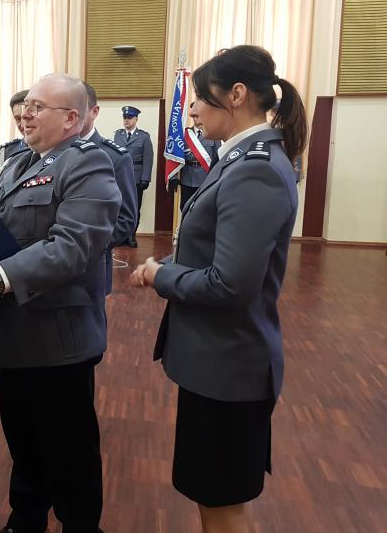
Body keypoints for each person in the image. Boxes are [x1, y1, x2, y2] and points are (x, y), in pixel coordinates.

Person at [131, 45, 306, 533]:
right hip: (216, 366)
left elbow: (230, 283)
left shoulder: (254, 168)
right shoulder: (242, 160)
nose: (190, 111)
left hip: (230, 370)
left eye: (199, 100)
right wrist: (168, 262)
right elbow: (217, 253)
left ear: (237, 95)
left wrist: (159, 276)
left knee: (222, 503)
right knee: (211, 497)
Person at [0, 73, 120, 533]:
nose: (25, 113)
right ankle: (26, 519)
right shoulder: (18, 161)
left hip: (59, 339)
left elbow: (71, 247)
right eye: (25, 106)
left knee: (69, 448)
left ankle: (80, 525)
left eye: (38, 107)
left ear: (72, 119)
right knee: (23, 440)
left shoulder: (89, 165)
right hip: (13, 331)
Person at [81, 81, 138, 292]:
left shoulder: (114, 157)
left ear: (94, 111)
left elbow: (126, 220)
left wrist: (83, 246)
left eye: (76, 109)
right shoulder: (52, 153)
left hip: (90, 268)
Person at [113, 106, 153, 247]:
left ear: (136, 119)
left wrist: (145, 178)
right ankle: (121, 235)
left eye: (129, 118)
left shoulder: (144, 137)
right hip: (120, 177)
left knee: (135, 207)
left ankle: (131, 235)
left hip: (136, 177)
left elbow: (148, 159)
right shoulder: (118, 135)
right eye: (125, 118)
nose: (126, 120)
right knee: (120, 206)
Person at [179, 103, 220, 210]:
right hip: (187, 177)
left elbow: (218, 158)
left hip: (205, 177)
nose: (196, 118)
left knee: (202, 208)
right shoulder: (184, 135)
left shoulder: (213, 134)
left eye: (199, 115)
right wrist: (174, 177)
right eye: (194, 116)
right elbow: (175, 156)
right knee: (185, 207)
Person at [0, 89, 29, 178]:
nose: (23, 124)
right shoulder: (6, 151)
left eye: (26, 117)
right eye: (18, 119)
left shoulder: (51, 149)